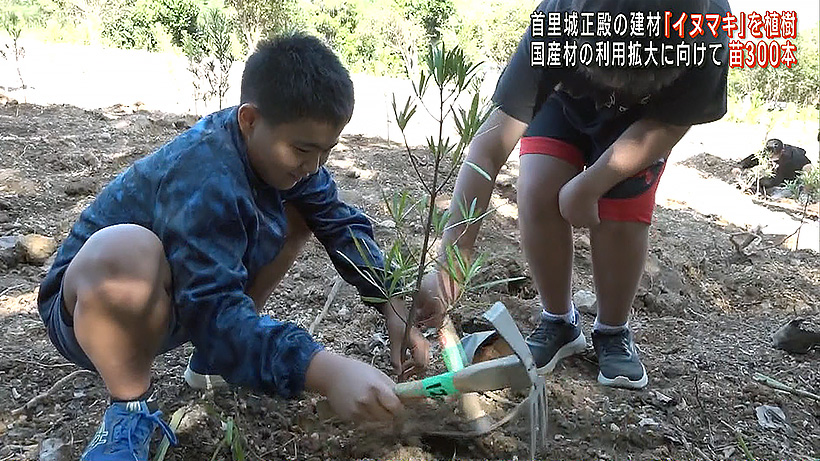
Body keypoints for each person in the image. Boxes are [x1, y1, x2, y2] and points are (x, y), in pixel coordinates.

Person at [36, 33, 429, 461]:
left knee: (303, 207)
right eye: (302, 149)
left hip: (179, 301)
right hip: (93, 313)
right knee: (127, 251)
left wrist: (390, 299)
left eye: (326, 152)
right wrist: (325, 370)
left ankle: (216, 358)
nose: (314, 165)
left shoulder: (289, 158)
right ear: (249, 119)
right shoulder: (204, 173)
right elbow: (212, 308)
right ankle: (127, 412)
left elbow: (337, 221)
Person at [415, 0, 729, 390]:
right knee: (536, 188)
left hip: (647, 121)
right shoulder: (556, 20)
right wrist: (449, 267)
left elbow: (671, 124)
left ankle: (613, 329)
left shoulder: (707, 27)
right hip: (565, 99)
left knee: (622, 209)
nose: (614, 87)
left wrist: (592, 183)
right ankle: (558, 321)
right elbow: (487, 150)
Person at [737, 139, 812, 191]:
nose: (771, 159)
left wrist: (806, 190)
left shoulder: (795, 156)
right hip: (777, 177)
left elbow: (808, 167)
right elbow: (748, 162)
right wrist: (739, 168)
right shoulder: (766, 153)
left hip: (792, 180)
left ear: (782, 151)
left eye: (775, 158)